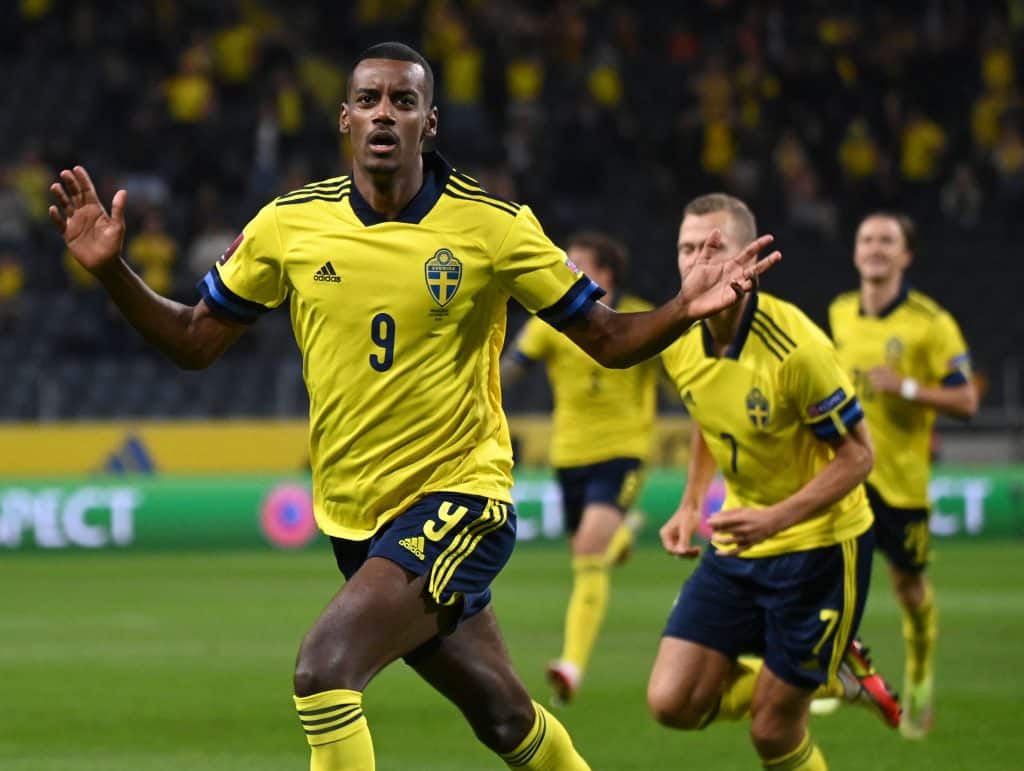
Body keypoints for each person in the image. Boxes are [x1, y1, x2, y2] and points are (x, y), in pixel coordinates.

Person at [49, 43, 780, 771]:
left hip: (462, 496)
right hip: (355, 518)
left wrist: (685, 306)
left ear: (430, 123)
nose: (384, 115)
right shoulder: (288, 225)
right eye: (369, 100)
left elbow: (610, 337)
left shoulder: (494, 226)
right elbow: (191, 340)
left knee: (323, 670)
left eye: (404, 102)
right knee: (504, 717)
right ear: (344, 118)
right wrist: (113, 271)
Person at [647, 193, 900, 771]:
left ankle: (815, 677)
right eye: (687, 248)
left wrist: (775, 518)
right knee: (672, 703)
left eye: (714, 248)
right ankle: (827, 674)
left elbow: (860, 458)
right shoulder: (678, 337)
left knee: (773, 729)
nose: (698, 261)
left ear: (749, 259)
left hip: (820, 549)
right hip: (742, 541)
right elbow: (706, 414)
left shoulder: (797, 349)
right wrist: (690, 504)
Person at [826, 212, 978, 738]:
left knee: (909, 589)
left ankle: (918, 681)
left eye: (887, 240)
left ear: (905, 255)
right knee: (824, 579)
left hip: (902, 484)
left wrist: (908, 389)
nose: (875, 248)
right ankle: (831, 677)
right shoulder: (840, 312)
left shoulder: (930, 322)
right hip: (849, 473)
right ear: (855, 251)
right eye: (866, 238)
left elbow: (967, 398)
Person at [501, 230, 659, 705]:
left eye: (575, 264)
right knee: (588, 554)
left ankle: (571, 665)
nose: (564, 270)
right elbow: (513, 367)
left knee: (589, 550)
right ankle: (623, 534)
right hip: (568, 455)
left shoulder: (641, 318)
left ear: (604, 275)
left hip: (623, 451)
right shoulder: (552, 318)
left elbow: (684, 375)